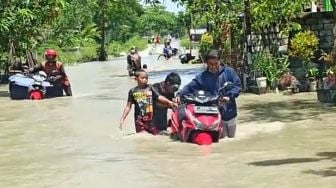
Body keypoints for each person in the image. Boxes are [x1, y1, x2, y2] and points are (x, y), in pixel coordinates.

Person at [175, 49, 241, 138]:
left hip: (230, 112)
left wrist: (229, 96)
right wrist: (179, 95)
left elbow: (237, 86)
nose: (213, 66)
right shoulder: (202, 77)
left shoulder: (229, 72)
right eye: (211, 64)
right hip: (213, 115)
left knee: (232, 139)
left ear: (219, 61)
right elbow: (190, 87)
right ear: (206, 63)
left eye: (216, 64)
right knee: (219, 141)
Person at [119, 69, 177, 135]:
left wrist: (169, 102)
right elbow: (128, 106)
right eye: (143, 78)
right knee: (142, 136)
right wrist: (122, 119)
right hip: (139, 120)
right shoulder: (132, 91)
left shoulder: (150, 88)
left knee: (156, 135)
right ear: (136, 79)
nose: (145, 80)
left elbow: (159, 97)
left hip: (151, 119)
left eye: (146, 78)